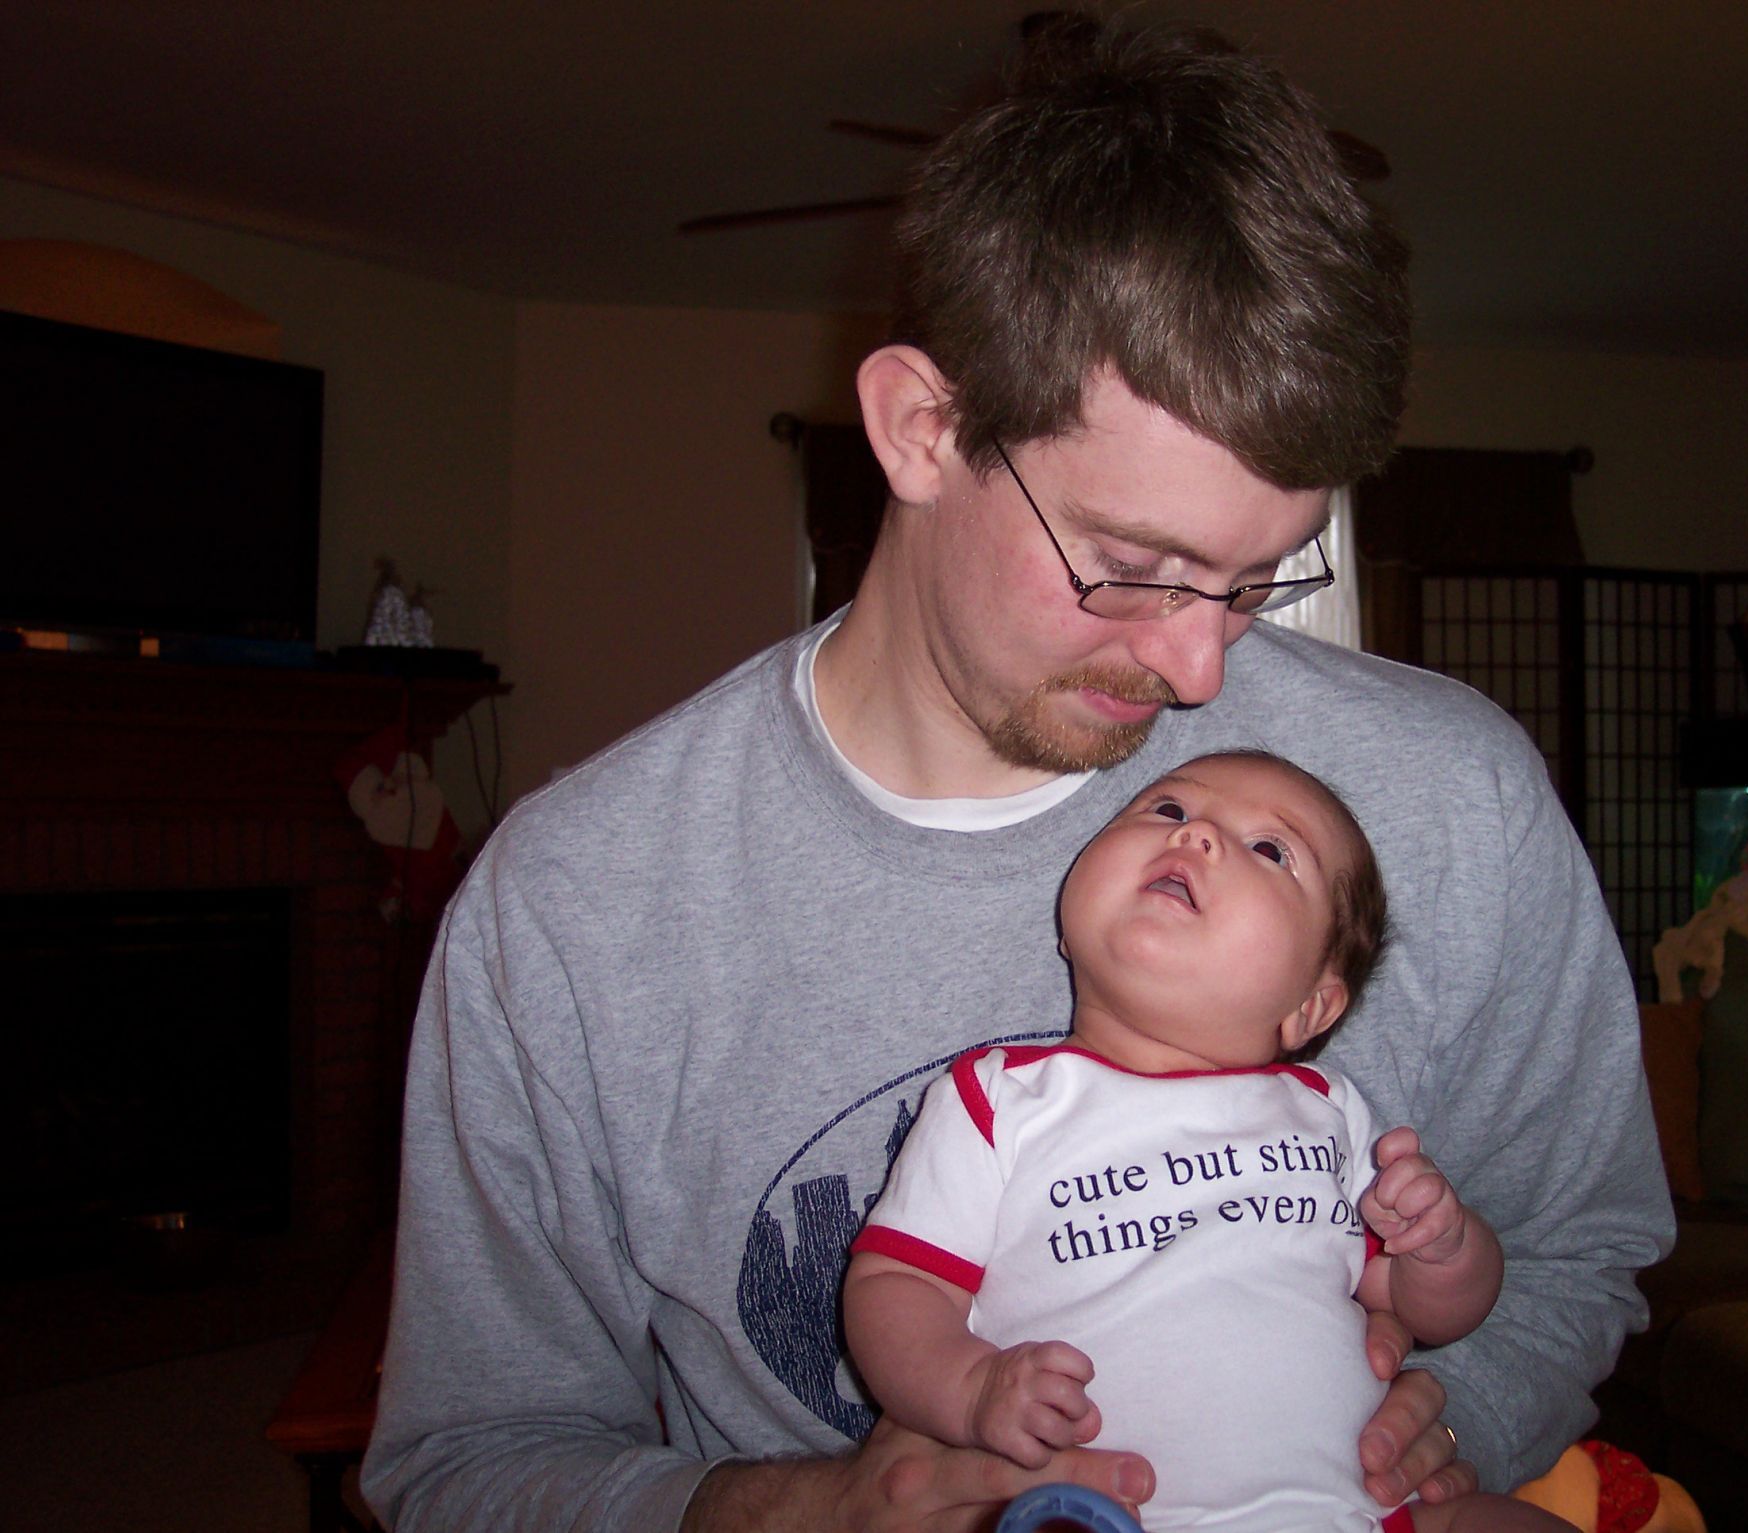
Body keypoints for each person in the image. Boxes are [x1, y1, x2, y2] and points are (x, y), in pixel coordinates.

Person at [361, 19, 1672, 1533]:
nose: (1201, 672)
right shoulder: (572, 904)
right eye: (1135, 566)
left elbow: (1579, 1244)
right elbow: (465, 1458)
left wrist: (1442, 1433)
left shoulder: (1453, 797)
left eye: (1259, 579)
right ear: (920, 429)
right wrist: (788, 1514)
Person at [845, 750, 1567, 1532]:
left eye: (1271, 849)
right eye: (1168, 810)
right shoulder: (999, 1100)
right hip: (1106, 1511)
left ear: (1311, 1005)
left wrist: (1447, 1249)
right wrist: (971, 1388)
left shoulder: (1327, 1110)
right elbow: (896, 1283)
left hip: (1358, 1509)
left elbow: (1420, 1306)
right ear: (1066, 928)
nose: (1199, 836)